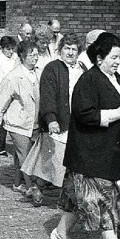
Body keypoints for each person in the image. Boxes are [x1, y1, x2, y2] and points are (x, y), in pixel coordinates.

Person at [51, 32, 120, 239]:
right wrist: (119, 113)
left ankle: (61, 232)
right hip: (91, 151)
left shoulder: (113, 77)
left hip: (105, 150)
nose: (118, 61)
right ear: (99, 58)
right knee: (104, 199)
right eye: (113, 57)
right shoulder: (89, 80)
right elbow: (84, 113)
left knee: (75, 197)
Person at [23, 32, 85, 196]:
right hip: (59, 121)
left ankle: (71, 193)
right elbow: (47, 96)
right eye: (67, 48)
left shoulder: (82, 69)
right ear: (60, 49)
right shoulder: (53, 68)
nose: (70, 52)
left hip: (78, 122)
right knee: (56, 162)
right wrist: (51, 119)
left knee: (71, 162)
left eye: (74, 49)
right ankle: (38, 186)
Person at [0, 39, 40, 201]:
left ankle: (17, 182)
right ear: (22, 56)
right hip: (17, 122)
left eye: (36, 55)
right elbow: (1, 100)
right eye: (31, 55)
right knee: (25, 155)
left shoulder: (38, 73)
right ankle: (31, 187)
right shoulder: (13, 77)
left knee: (23, 154)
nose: (35, 58)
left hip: (34, 122)